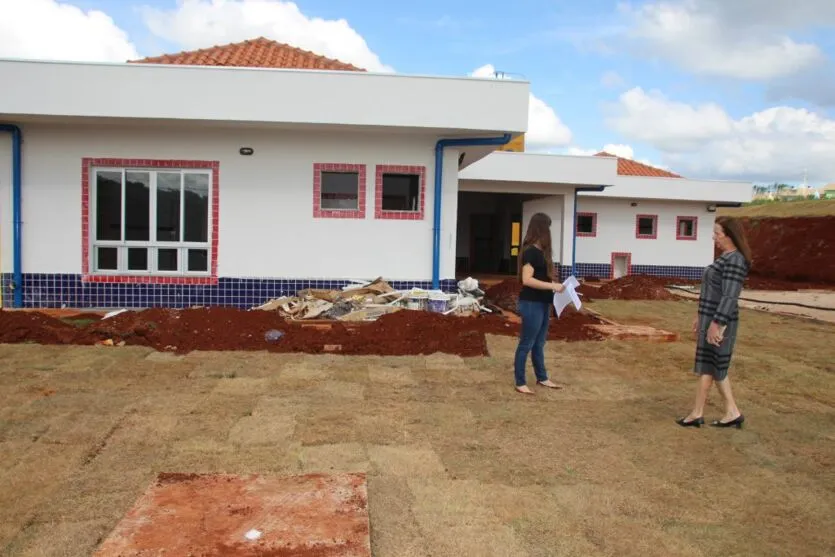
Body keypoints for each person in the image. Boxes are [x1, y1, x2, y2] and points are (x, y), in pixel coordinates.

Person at [677, 217, 752, 428]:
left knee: (713, 367)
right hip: (710, 317)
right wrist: (700, 316)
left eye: (717, 233)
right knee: (711, 367)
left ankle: (703, 413)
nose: (714, 237)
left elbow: (730, 296)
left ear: (729, 236)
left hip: (720, 321)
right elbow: (712, 291)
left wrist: (717, 324)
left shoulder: (735, 260)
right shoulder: (725, 258)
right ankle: (726, 412)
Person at [514, 212, 565, 395]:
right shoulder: (530, 252)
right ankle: (520, 382)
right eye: (548, 228)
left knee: (539, 343)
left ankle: (542, 377)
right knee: (527, 343)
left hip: (543, 303)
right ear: (541, 229)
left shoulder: (541, 253)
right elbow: (527, 280)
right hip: (531, 303)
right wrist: (552, 285)